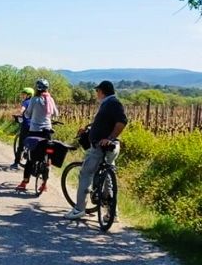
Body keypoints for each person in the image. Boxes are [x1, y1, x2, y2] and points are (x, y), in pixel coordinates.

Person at [67, 81, 128, 219]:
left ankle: (79, 209)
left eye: (97, 91)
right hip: (106, 146)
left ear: (102, 91)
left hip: (102, 146)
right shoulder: (107, 104)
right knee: (107, 177)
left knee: (86, 173)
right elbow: (103, 123)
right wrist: (88, 128)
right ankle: (112, 213)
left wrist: (110, 138)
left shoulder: (113, 103)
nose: (96, 94)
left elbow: (122, 121)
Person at [17, 79, 59, 191]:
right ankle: (44, 184)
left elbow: (28, 113)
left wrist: (28, 115)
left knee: (31, 158)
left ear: (37, 89)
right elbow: (56, 113)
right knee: (47, 158)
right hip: (47, 131)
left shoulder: (34, 99)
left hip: (35, 131)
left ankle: (24, 182)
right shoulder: (50, 99)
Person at [11, 87, 35, 169]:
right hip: (35, 125)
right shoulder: (35, 102)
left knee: (21, 144)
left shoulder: (26, 102)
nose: (22, 96)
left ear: (28, 95)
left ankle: (16, 163)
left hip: (26, 125)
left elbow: (22, 109)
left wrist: (19, 114)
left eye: (24, 94)